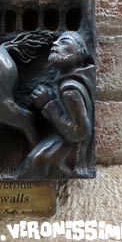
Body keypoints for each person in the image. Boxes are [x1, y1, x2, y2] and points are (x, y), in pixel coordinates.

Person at [21, 31, 95, 177]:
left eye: (64, 42)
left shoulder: (70, 90)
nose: (55, 44)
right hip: (70, 141)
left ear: (79, 53)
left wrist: (48, 103)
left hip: (73, 148)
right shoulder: (78, 76)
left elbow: (80, 132)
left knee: (34, 162)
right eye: (56, 41)